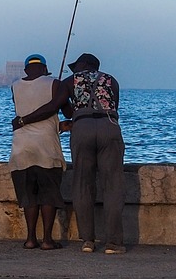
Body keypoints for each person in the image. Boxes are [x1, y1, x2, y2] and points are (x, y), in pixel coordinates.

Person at [15, 53, 125, 254]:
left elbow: (54, 106)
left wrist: (24, 120)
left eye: (76, 67)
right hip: (110, 126)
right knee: (113, 186)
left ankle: (88, 241)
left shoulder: (70, 80)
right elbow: (114, 106)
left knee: (83, 184)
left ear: (82, 66)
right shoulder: (111, 80)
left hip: (81, 128)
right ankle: (114, 243)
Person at [8, 54, 68, 250]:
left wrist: (24, 121)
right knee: (48, 195)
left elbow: (21, 108)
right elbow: (65, 109)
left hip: (21, 147)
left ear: (26, 70)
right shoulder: (54, 83)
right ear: (45, 68)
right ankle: (47, 240)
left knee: (29, 197)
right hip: (46, 147)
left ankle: (30, 238)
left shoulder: (15, 86)